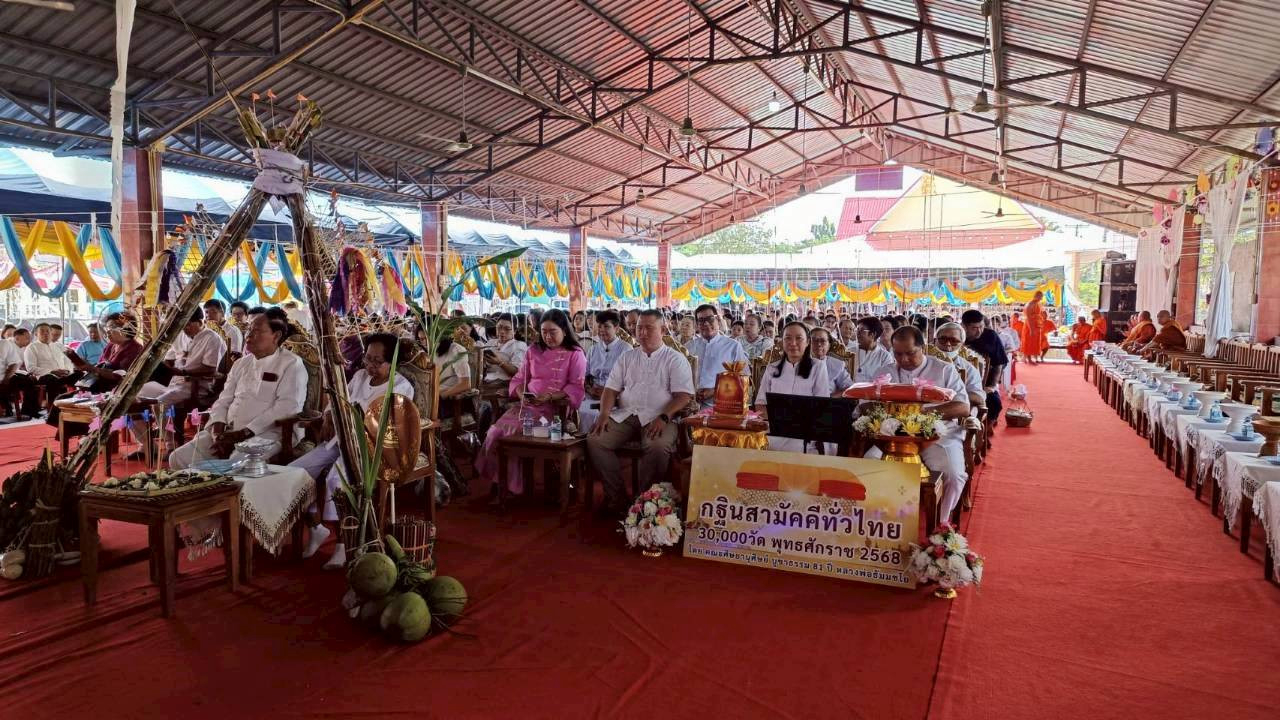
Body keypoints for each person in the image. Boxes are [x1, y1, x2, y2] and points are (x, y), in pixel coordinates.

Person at [294, 333, 413, 569]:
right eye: (367, 359)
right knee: (297, 471)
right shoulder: (359, 376)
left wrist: (358, 419)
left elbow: (390, 427)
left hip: (370, 449)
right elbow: (338, 398)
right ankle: (316, 527)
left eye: (377, 361)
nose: (370, 365)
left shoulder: (401, 387)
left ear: (392, 362)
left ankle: (343, 543)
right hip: (339, 440)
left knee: (336, 480)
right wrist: (328, 415)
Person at [586, 309, 694, 513]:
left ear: (663, 329)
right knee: (595, 439)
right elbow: (610, 389)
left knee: (657, 445)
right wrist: (603, 414)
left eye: (648, 328)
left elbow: (683, 396)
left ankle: (648, 503)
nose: (642, 333)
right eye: (638, 328)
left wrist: (664, 416)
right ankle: (616, 497)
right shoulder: (627, 357)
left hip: (661, 416)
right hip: (627, 414)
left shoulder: (675, 359)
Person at [168, 314, 307, 469]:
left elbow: (287, 407)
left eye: (257, 330)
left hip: (267, 433)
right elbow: (224, 399)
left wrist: (243, 434)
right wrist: (217, 429)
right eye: (248, 329)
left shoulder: (291, 364)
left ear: (276, 336)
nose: (248, 335)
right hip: (227, 432)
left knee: (237, 465)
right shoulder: (241, 363)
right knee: (178, 458)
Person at [863, 326, 970, 521]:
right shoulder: (884, 371)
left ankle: (940, 527)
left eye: (910, 353)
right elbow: (864, 404)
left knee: (954, 476)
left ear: (923, 348)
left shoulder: (943, 369)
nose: (903, 360)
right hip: (893, 437)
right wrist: (887, 414)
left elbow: (963, 407)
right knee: (868, 465)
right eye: (898, 353)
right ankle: (881, 522)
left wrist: (922, 414)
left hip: (937, 435)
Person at [475, 309, 586, 496]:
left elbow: (576, 387)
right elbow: (520, 378)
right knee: (495, 432)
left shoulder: (575, 353)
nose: (547, 336)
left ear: (565, 331)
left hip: (553, 411)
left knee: (514, 431)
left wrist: (549, 397)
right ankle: (502, 481)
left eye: (552, 332)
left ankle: (509, 485)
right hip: (526, 406)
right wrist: (520, 393)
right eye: (543, 332)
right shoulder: (534, 350)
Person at [754, 322, 831, 453]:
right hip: (774, 431)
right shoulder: (772, 368)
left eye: (798, 338)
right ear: (782, 342)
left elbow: (822, 405)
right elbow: (760, 404)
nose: (793, 343)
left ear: (807, 342)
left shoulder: (818, 367)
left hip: (805, 433)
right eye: (788, 338)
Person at [685, 304, 748, 408]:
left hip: (721, 405)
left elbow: (743, 379)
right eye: (701, 320)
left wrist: (715, 391)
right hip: (690, 405)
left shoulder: (733, 346)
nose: (706, 323)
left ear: (718, 320)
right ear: (697, 325)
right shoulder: (689, 347)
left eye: (710, 319)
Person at [578, 310, 627, 431]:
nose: (602, 330)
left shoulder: (626, 349)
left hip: (616, 399)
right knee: (578, 410)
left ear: (616, 328)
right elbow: (585, 375)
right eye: (599, 326)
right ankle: (580, 443)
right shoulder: (593, 349)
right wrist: (590, 389)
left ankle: (594, 441)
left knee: (596, 414)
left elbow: (629, 382)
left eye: (606, 326)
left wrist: (608, 393)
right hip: (592, 395)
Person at [959, 310, 1008, 423]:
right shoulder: (957, 335)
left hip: (986, 382)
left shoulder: (990, 336)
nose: (979, 331)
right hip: (960, 381)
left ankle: (985, 430)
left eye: (981, 326)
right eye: (974, 328)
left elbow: (998, 363)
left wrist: (992, 385)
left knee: (994, 402)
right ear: (964, 326)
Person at [23, 323, 78, 409]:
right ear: (36, 334)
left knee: (80, 374)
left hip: (63, 374)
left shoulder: (58, 346)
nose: (46, 333)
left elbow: (68, 361)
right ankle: (54, 409)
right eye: (42, 331)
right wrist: (52, 371)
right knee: (53, 379)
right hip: (44, 376)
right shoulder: (31, 347)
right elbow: (31, 368)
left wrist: (68, 370)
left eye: (48, 331)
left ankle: (75, 405)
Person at [482, 313, 527, 390]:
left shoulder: (519, 346)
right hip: (486, 381)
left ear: (515, 330)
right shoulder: (490, 343)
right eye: (499, 327)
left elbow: (517, 372)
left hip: (505, 385)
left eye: (507, 329)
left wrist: (500, 362)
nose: (502, 331)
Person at [0, 329, 37, 419]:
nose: (29, 340)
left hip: (6, 376)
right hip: (7, 376)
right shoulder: (9, 344)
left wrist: (6, 379)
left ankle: (27, 410)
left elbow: (14, 364)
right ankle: (7, 406)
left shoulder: (4, 344)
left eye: (29, 338)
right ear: (17, 337)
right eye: (27, 338)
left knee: (29, 381)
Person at [810, 328, 852, 396]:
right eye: (814, 340)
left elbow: (849, 388)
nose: (819, 344)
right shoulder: (798, 362)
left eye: (823, 341)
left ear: (829, 345)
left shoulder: (837, 365)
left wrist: (830, 398)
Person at [852, 316, 894, 381]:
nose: (858, 333)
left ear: (873, 334)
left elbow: (886, 380)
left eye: (862, 330)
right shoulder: (850, 352)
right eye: (857, 330)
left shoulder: (885, 356)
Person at [1020, 291, 1047, 364]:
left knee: (1034, 343)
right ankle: (1028, 359)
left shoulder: (1037, 304)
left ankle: (1032, 358)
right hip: (1030, 326)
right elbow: (1028, 318)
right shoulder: (1029, 305)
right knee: (1029, 342)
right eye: (1040, 296)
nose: (1041, 298)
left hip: (1037, 326)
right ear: (1037, 296)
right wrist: (1031, 329)